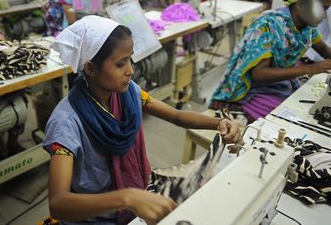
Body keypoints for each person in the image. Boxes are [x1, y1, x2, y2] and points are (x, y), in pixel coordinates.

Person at [44, 15, 241, 224]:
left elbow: (177, 116)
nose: (131, 70)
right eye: (121, 64)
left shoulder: (128, 94)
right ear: (91, 68)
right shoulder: (66, 123)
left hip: (131, 196)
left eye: (130, 59)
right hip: (96, 217)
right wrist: (126, 197)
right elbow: (58, 203)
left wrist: (218, 123)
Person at [210, 0, 331, 123]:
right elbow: (258, 74)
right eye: (322, 8)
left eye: (327, 9)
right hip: (248, 90)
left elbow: (322, 48)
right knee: (291, 120)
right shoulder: (270, 25)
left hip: (276, 85)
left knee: (305, 106)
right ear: (300, 4)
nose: (324, 15)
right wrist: (309, 69)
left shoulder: (306, 28)